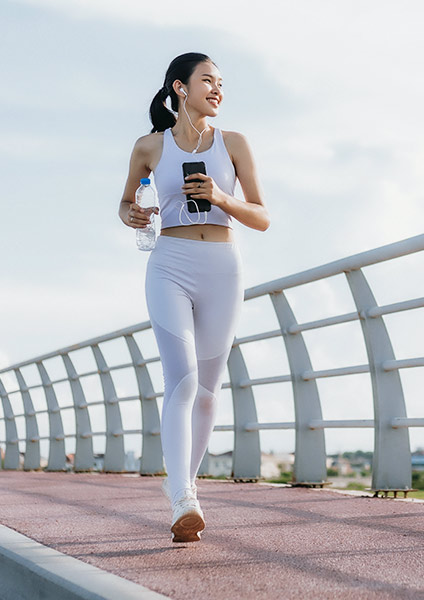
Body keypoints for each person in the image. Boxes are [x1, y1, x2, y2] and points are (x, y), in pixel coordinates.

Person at [118, 52, 270, 543]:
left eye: (222, 83)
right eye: (208, 80)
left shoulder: (235, 144)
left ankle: (186, 481)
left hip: (223, 268)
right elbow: (125, 202)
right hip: (169, 265)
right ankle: (183, 495)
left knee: (207, 391)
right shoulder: (149, 147)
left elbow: (262, 217)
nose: (218, 89)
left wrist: (221, 197)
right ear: (181, 88)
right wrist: (133, 215)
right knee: (180, 380)